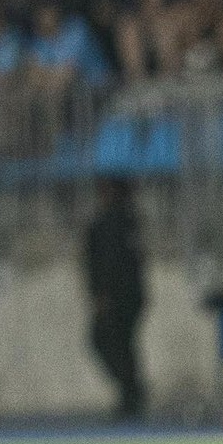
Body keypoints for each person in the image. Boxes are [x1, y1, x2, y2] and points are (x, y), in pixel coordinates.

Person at [83, 179, 146, 420]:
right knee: (124, 344)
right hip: (133, 295)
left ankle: (130, 392)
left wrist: (102, 296)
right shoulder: (131, 221)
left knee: (106, 340)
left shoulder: (107, 224)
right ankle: (131, 391)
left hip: (117, 297)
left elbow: (108, 264)